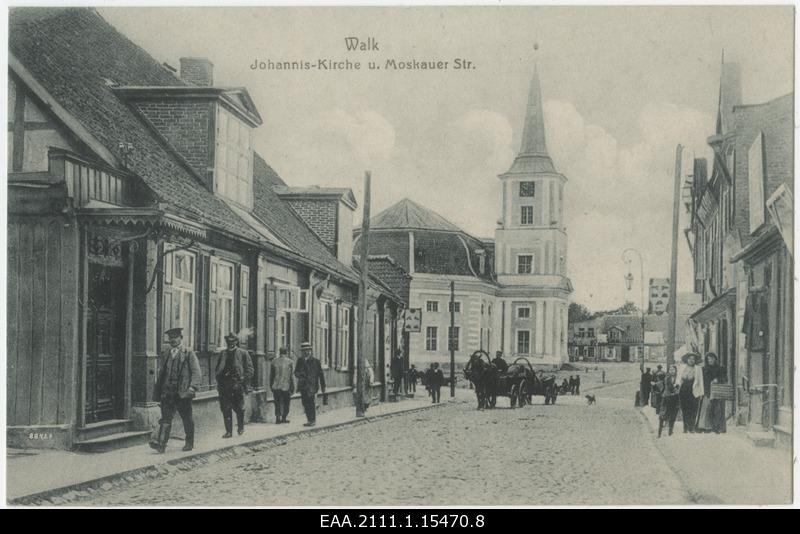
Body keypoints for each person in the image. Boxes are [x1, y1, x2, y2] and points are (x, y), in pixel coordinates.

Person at [149, 327, 202, 453]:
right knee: (166, 418)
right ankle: (161, 444)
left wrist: (192, 388)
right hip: (167, 392)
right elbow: (162, 373)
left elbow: (196, 372)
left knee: (186, 418)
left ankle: (189, 442)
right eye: (170, 338)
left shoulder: (188, 352)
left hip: (183, 392)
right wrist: (159, 391)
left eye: (175, 338)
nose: (173, 340)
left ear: (181, 338)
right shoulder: (166, 353)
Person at [215, 333, 254, 438]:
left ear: (236, 342)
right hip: (224, 385)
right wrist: (219, 380)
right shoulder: (223, 354)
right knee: (225, 408)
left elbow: (250, 370)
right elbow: (218, 369)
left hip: (237, 385)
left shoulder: (243, 353)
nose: (230, 343)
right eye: (228, 341)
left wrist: (242, 379)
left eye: (232, 341)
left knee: (239, 408)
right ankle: (228, 432)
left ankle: (240, 427)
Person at [294, 342, 326, 427]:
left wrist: (323, 387)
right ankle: (309, 420)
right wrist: (300, 374)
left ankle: (312, 420)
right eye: (304, 350)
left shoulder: (316, 361)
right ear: (302, 352)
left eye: (307, 350)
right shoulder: (300, 361)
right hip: (303, 386)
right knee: (305, 403)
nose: (306, 352)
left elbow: (321, 375)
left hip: (312, 385)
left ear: (310, 351)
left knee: (311, 402)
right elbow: (296, 372)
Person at [697, 353, 727, 434]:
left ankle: (717, 427)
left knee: (717, 410)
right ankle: (705, 427)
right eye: (709, 359)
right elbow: (700, 381)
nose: (710, 360)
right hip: (707, 391)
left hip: (717, 392)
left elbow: (724, 378)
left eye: (712, 358)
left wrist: (718, 379)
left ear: (715, 359)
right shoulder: (703, 369)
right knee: (706, 409)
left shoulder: (720, 368)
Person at [677, 352, 704, 433]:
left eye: (693, 359)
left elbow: (701, 381)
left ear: (695, 360)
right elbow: (678, 379)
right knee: (684, 409)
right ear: (687, 360)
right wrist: (677, 386)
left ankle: (691, 427)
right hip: (684, 390)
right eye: (690, 359)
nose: (691, 360)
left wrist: (701, 393)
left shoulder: (698, 368)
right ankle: (685, 427)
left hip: (694, 390)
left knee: (693, 409)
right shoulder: (682, 367)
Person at [270, 347, 294, 424]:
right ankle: (284, 417)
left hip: (276, 385)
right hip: (286, 386)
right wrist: (292, 386)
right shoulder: (290, 362)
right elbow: (291, 376)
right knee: (286, 402)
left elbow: (271, 375)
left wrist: (271, 385)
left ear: (279, 352)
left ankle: (277, 418)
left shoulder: (274, 361)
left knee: (277, 402)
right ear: (286, 352)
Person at [658, 364, 680, 437]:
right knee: (663, 415)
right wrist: (676, 389)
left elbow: (679, 386)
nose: (672, 371)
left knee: (673, 415)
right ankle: (659, 432)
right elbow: (669, 387)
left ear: (676, 370)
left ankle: (670, 431)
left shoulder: (677, 378)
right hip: (667, 399)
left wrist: (677, 389)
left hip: (674, 399)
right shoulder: (667, 378)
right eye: (670, 370)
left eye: (673, 369)